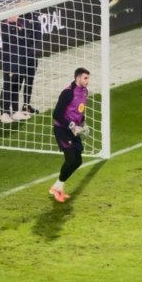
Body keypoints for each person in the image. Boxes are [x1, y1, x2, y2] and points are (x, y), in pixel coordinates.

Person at [49, 67, 90, 203]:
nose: (87, 81)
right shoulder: (67, 93)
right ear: (77, 78)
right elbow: (56, 114)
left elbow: (80, 111)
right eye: (85, 78)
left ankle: (57, 186)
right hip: (62, 129)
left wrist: (84, 124)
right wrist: (72, 126)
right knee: (71, 159)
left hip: (75, 129)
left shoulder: (84, 92)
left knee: (78, 161)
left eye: (88, 78)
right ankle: (58, 188)